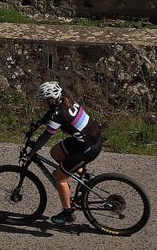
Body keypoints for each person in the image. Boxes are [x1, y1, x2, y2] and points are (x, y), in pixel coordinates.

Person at [22, 80, 104, 227]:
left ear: (51, 100)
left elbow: (45, 137)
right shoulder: (66, 102)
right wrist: (39, 123)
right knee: (56, 153)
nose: (42, 104)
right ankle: (85, 176)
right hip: (89, 139)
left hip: (89, 147)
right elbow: (51, 113)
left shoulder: (60, 114)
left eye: (43, 101)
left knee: (59, 177)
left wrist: (30, 154)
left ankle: (67, 213)